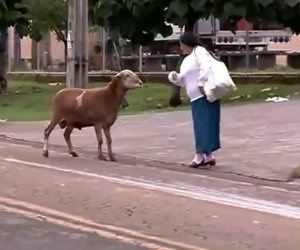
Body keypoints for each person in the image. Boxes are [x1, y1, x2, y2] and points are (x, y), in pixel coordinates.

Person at [168, 32, 221, 168]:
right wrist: (175, 78)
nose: (181, 47)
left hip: (204, 94)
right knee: (203, 125)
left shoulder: (200, 51)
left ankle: (199, 155)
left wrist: (201, 83)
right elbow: (184, 80)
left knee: (204, 125)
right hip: (195, 97)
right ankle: (208, 155)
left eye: (181, 44)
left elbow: (206, 67)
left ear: (186, 43)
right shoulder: (187, 59)